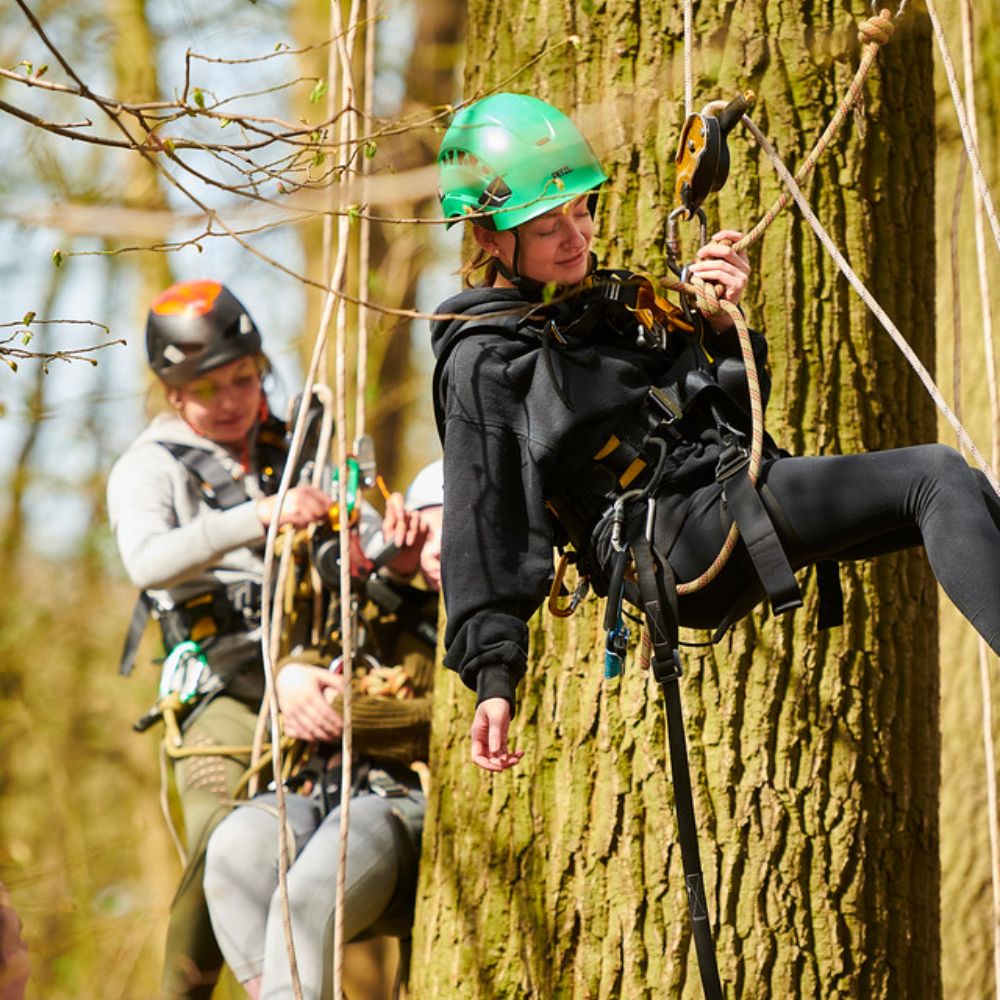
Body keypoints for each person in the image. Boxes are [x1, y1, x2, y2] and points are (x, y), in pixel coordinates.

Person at [430, 91, 1000, 772]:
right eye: (549, 224)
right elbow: (482, 514)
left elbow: (724, 407)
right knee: (933, 476)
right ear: (490, 237)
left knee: (964, 488)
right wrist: (493, 678)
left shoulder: (609, 307)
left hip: (714, 497)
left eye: (581, 210)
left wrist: (721, 328)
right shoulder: (483, 358)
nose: (577, 236)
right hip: (669, 537)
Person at [106, 279, 421, 998]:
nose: (230, 400)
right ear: (172, 392)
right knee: (226, 839)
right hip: (224, 681)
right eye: (206, 388)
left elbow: (354, 537)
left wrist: (393, 550)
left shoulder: (302, 439)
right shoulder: (149, 467)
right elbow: (147, 561)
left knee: (367, 818)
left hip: (319, 659)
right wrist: (261, 514)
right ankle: (181, 989)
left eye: (243, 379)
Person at [202, 461, 443, 1000]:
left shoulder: (478, 614)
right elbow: (326, 653)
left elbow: (441, 724)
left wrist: (351, 718)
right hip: (322, 793)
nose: (441, 553)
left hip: (395, 807)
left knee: (303, 902)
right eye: (429, 532)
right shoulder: (389, 599)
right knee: (231, 851)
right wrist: (289, 676)